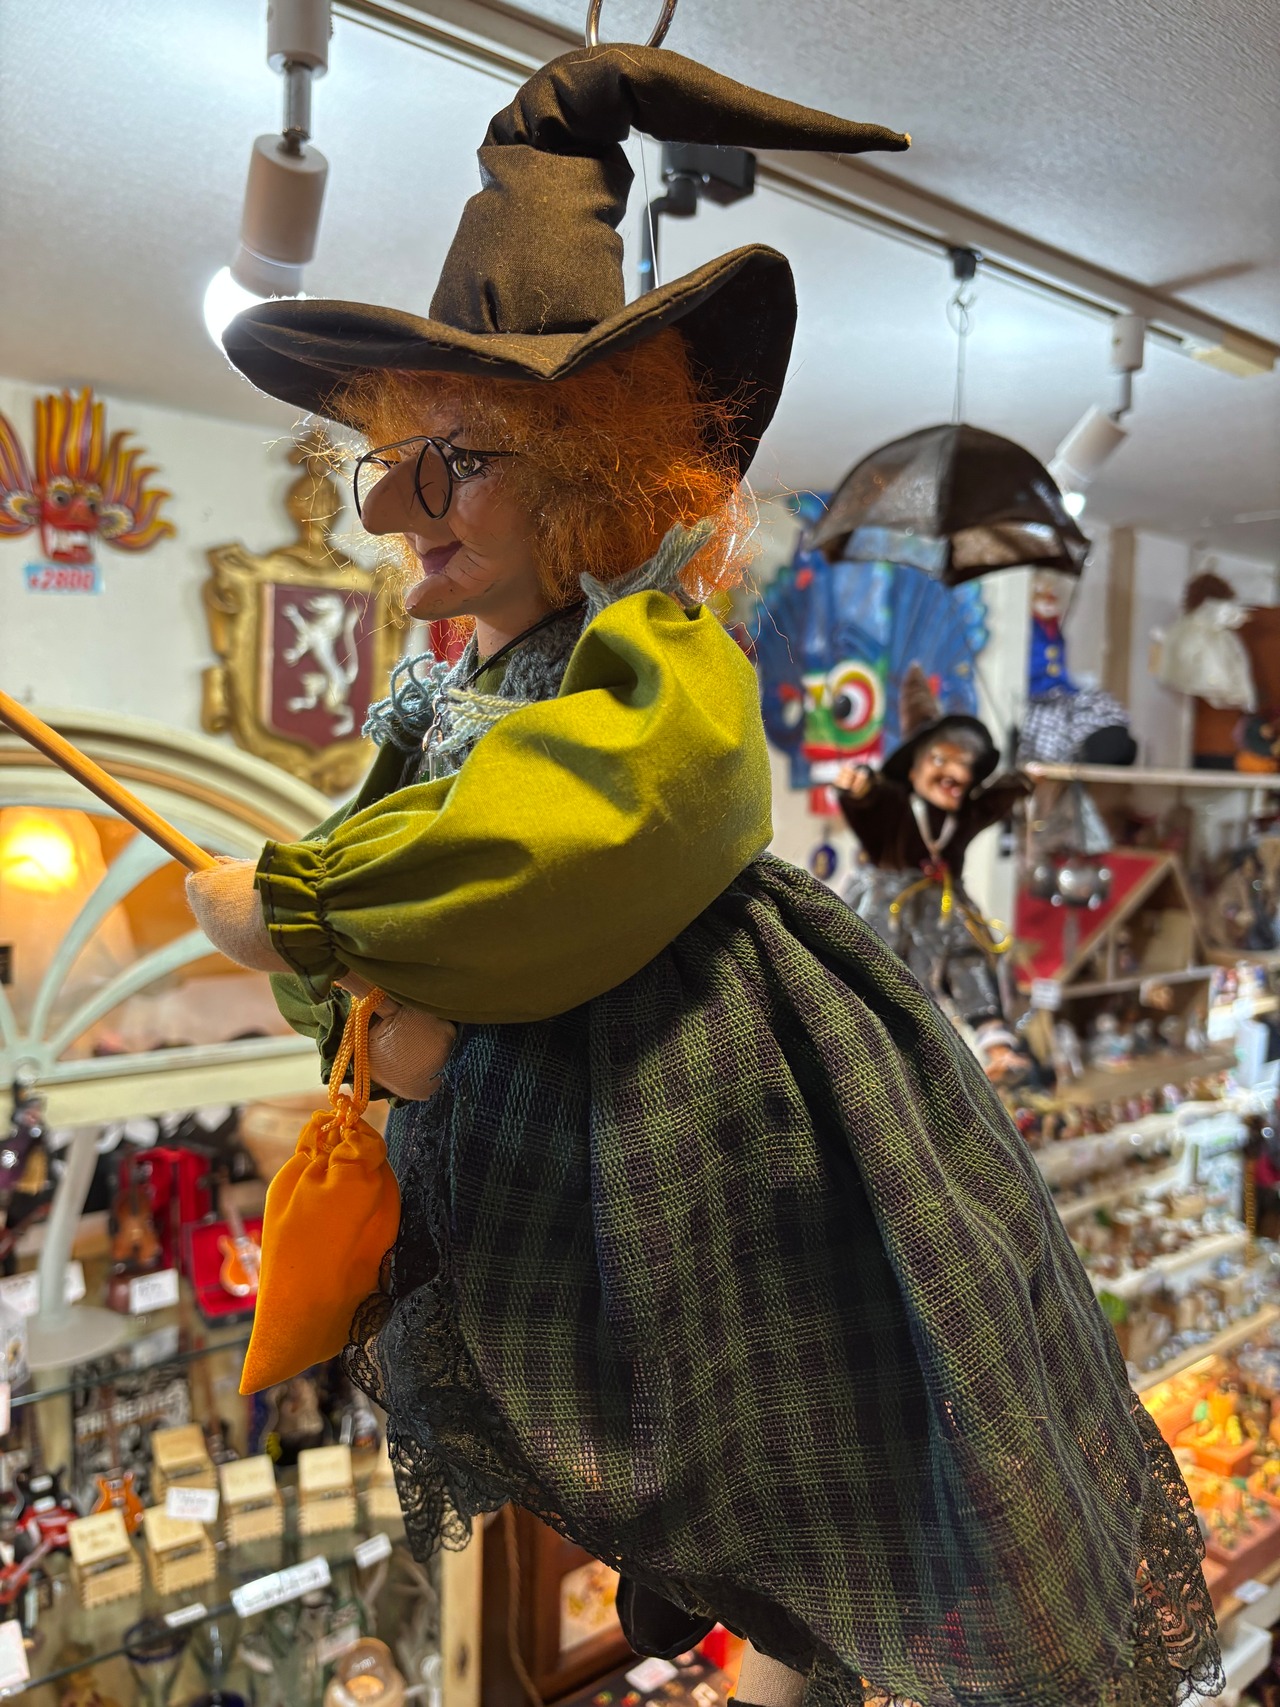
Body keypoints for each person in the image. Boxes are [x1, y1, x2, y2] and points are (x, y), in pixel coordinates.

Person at [185, 44, 1220, 1707]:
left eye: (452, 459)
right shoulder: (449, 688)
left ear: (594, 469)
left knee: (742, 1333)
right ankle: (680, 1563)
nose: (395, 508)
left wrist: (300, 905)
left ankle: (727, 1577)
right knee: (588, 1342)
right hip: (532, 1079)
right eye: (390, 460)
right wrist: (360, 982)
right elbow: (425, 848)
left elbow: (592, 830)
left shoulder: (655, 650)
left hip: (691, 1064)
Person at [836, 665, 1031, 1082]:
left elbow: (992, 802)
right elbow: (870, 803)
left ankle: (995, 1042)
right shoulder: (895, 805)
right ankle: (860, 1054)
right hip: (887, 908)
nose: (954, 774)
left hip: (945, 904)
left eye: (964, 765)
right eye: (940, 760)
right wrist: (860, 789)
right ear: (913, 769)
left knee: (967, 956)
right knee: (876, 973)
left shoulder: (961, 815)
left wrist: (1023, 782)